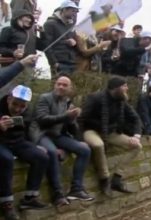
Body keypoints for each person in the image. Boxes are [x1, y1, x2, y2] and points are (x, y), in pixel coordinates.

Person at [29, 75, 93, 202]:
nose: (61, 87)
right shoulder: (44, 98)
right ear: (55, 85)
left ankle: (76, 188)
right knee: (52, 152)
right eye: (59, 84)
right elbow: (42, 120)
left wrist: (73, 119)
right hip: (43, 133)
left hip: (57, 136)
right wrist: (66, 116)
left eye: (64, 85)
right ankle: (57, 193)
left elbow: (71, 128)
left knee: (85, 149)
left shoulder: (68, 102)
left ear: (70, 88)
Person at [80, 77, 142, 195]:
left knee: (137, 146)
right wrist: (79, 138)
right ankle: (104, 179)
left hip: (110, 132)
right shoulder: (95, 98)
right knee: (98, 145)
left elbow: (136, 118)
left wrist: (136, 136)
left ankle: (117, 178)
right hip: (92, 131)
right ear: (116, 88)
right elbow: (81, 119)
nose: (127, 88)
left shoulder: (121, 101)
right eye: (124, 86)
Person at [0, 85, 48, 220]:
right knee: (6, 159)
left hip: (17, 142)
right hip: (1, 142)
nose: (17, 109)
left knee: (41, 157)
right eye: (15, 104)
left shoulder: (27, 111)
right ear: (9, 98)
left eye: (22, 106)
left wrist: (34, 146)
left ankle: (30, 197)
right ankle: (6, 203)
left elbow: (28, 129)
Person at [43, 1, 79, 76]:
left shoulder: (70, 25)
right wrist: (54, 62)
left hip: (71, 62)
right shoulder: (50, 24)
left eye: (76, 11)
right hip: (59, 62)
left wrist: (74, 43)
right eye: (72, 10)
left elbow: (73, 42)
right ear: (64, 10)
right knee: (58, 86)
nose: (74, 13)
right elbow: (46, 45)